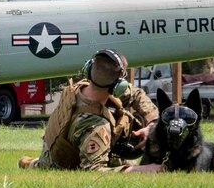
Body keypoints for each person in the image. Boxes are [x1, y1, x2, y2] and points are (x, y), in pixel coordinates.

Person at [20, 48, 163, 172]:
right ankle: (32, 164)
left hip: (52, 150)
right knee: (125, 165)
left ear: (88, 70)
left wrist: (153, 123)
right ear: (118, 84)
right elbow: (93, 169)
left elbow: (135, 94)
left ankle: (29, 163)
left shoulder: (79, 88)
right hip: (57, 164)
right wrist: (142, 170)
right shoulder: (95, 125)